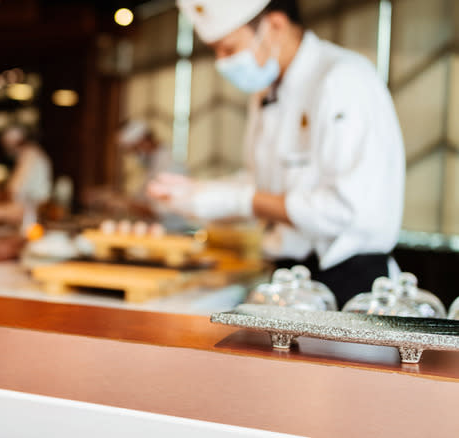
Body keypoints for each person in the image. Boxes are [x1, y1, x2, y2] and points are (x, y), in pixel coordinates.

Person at [149, 0, 405, 306]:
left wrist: (237, 199)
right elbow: (264, 183)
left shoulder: (342, 79)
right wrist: (198, 194)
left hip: (350, 284)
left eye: (229, 49)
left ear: (275, 26)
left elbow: (345, 209)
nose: (221, 62)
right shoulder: (266, 93)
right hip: (291, 280)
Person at [84, 120, 187, 230]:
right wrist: (112, 196)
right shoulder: (152, 164)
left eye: (133, 149)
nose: (133, 155)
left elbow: (158, 212)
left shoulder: (168, 166)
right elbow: (142, 199)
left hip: (171, 233)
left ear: (143, 142)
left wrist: (124, 203)